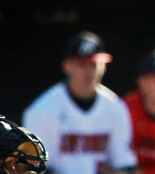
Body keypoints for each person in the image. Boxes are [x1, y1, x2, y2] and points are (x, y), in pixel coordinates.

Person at [22, 31, 139, 174]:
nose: (89, 71)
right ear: (67, 66)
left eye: (94, 64)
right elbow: (35, 168)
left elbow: (124, 164)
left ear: (104, 66)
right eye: (82, 64)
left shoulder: (116, 108)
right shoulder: (42, 110)